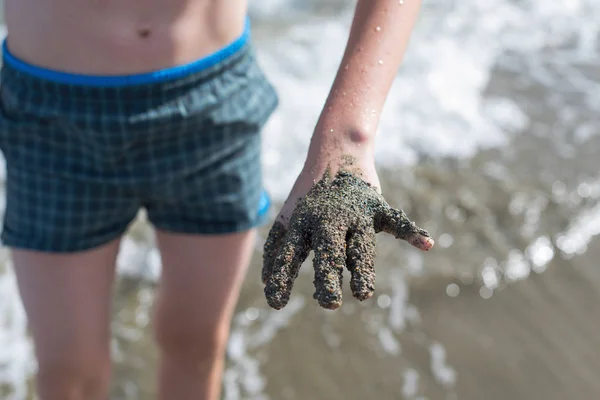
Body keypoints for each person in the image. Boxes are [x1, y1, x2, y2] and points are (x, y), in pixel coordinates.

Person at [0, 0, 433, 399]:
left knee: (196, 341)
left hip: (211, 107)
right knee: (67, 370)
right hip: (50, 119)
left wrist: (349, 136)